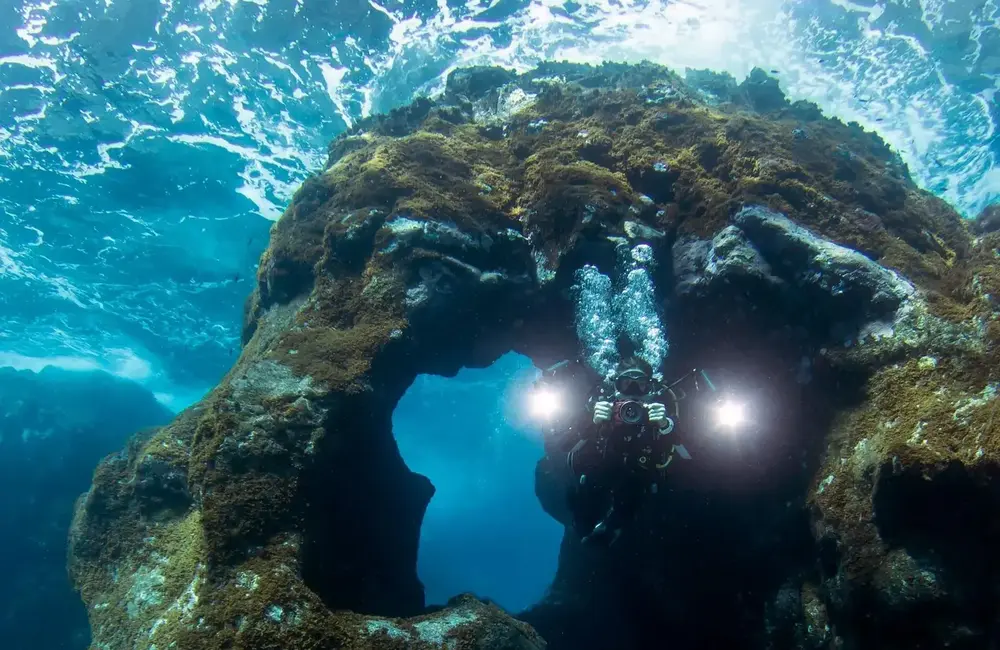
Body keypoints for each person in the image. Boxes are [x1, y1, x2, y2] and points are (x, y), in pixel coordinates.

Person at [539, 356, 685, 547]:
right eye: (626, 384)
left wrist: (666, 424)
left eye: (641, 385)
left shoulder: (657, 413)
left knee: (633, 496)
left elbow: (686, 452)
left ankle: (614, 528)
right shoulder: (600, 408)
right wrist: (591, 423)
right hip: (598, 474)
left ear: (651, 388)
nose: (633, 392)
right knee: (583, 516)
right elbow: (566, 446)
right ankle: (591, 527)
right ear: (616, 387)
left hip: (637, 478)